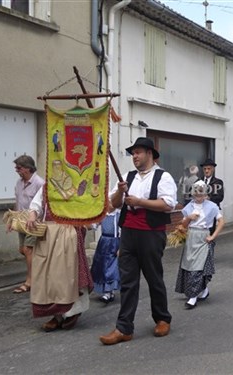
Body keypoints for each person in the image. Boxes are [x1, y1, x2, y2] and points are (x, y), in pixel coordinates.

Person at [100, 137, 177, 345]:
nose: (134, 156)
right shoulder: (127, 177)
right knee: (127, 282)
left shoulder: (163, 177)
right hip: (128, 234)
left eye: (138, 152)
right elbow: (112, 206)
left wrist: (140, 202)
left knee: (154, 278)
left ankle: (162, 318)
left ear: (149, 154)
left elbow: (168, 204)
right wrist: (119, 191)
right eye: (133, 153)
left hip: (151, 233)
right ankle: (124, 327)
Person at [26, 187, 93, 332]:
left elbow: (89, 206)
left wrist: (84, 222)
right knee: (48, 277)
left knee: (66, 275)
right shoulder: (46, 186)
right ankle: (57, 315)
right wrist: (32, 215)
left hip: (69, 231)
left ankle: (72, 312)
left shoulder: (77, 183)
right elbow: (36, 204)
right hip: (48, 233)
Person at [175, 180, 224, 309]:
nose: (199, 196)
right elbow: (182, 226)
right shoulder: (189, 207)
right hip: (191, 237)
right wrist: (189, 218)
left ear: (205, 194)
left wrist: (213, 236)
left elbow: (221, 221)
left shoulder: (212, 206)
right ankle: (203, 290)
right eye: (196, 194)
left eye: (201, 194)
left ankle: (193, 297)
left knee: (198, 267)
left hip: (203, 237)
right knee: (189, 265)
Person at [10, 155, 44, 294]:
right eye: (16, 167)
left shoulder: (39, 183)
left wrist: (36, 219)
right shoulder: (19, 183)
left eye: (19, 168)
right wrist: (12, 219)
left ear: (28, 168)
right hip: (21, 222)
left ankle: (30, 282)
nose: (16, 170)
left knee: (28, 250)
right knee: (23, 250)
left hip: (34, 223)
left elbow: (43, 205)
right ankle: (40, 274)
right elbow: (17, 202)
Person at [90, 206, 121, 304]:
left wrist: (121, 247)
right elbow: (94, 225)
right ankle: (108, 292)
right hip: (103, 242)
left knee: (111, 268)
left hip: (114, 243)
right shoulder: (103, 214)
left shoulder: (118, 214)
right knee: (102, 266)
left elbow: (122, 230)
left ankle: (108, 292)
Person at [200, 158, 224, 234]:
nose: (206, 171)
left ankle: (210, 244)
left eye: (209, 169)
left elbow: (220, 197)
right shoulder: (198, 181)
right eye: (205, 169)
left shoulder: (218, 182)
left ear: (213, 169)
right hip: (199, 210)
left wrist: (209, 198)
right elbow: (191, 193)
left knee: (210, 231)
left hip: (211, 210)